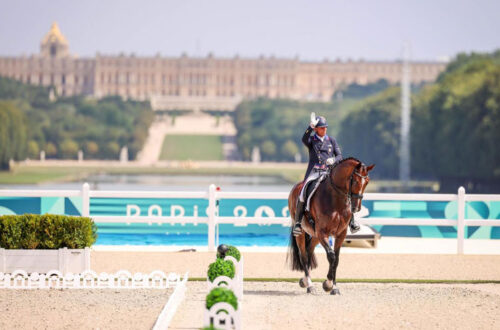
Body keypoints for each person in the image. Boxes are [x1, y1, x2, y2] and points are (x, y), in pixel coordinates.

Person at [292, 112, 360, 236]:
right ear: (317, 129)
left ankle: (352, 221)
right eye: (322, 128)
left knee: (346, 190)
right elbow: (304, 139)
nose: (324, 130)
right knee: (303, 193)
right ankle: (297, 223)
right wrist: (310, 128)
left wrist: (334, 160)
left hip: (329, 172)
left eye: (325, 127)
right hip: (315, 171)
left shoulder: (331, 140)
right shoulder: (312, 140)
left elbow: (339, 155)